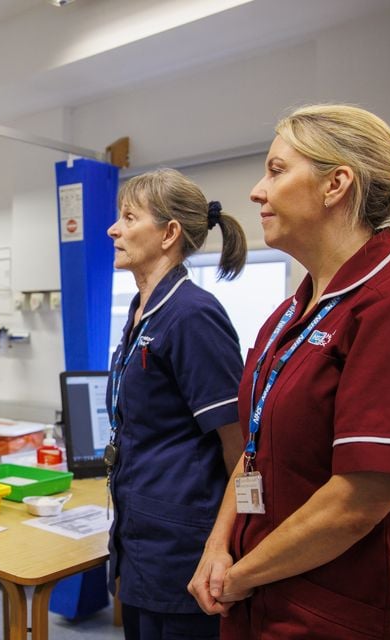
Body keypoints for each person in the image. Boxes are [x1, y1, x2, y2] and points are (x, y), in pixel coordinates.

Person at [187, 104, 390, 639]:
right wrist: (217, 546)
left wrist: (241, 574)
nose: (256, 191)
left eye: (275, 170)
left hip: (341, 611)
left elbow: (361, 497)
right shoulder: (288, 315)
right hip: (259, 593)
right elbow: (253, 446)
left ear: (335, 184)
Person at [105, 168, 247, 640]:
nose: (113, 229)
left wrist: (230, 541)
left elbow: (240, 446)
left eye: (128, 217)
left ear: (169, 234)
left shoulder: (193, 314)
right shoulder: (143, 309)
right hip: (143, 532)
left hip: (185, 541)